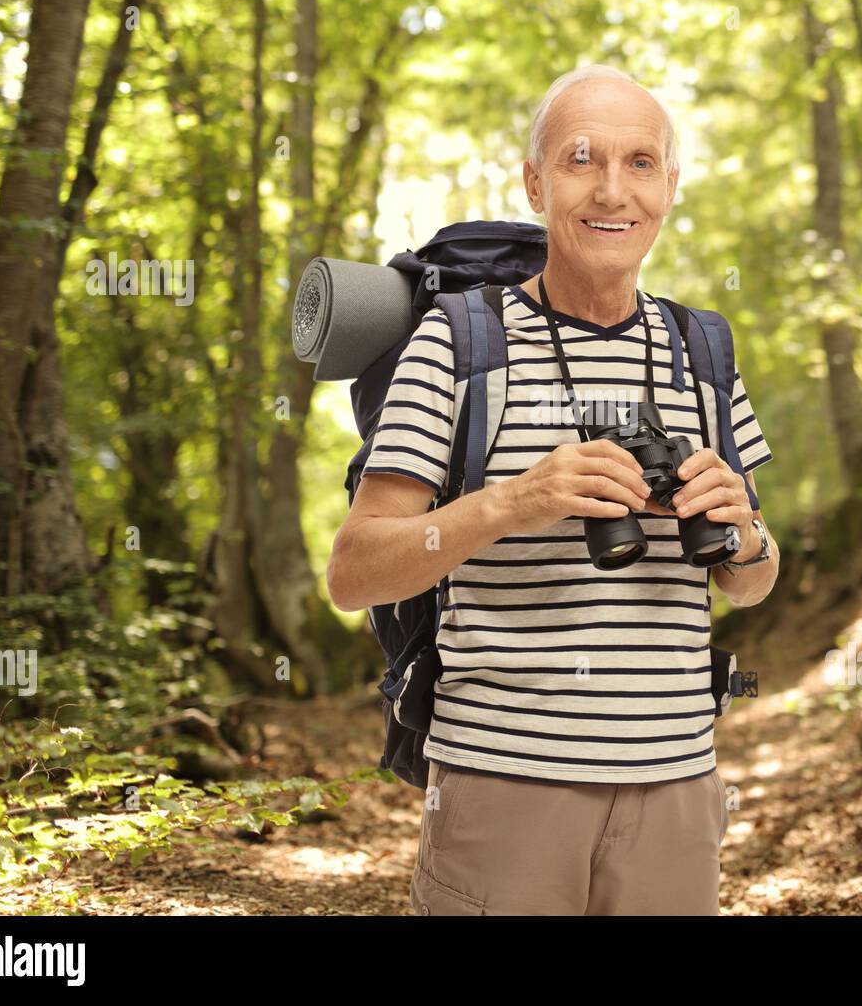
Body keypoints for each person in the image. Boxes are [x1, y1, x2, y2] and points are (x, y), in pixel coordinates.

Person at [326, 64, 780, 915]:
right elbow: (354, 570)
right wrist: (514, 501)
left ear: (671, 186)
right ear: (536, 181)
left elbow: (752, 581)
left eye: (641, 162)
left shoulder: (704, 351)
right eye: (581, 159)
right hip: (503, 789)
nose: (613, 190)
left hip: (678, 792)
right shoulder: (457, 344)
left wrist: (745, 533)